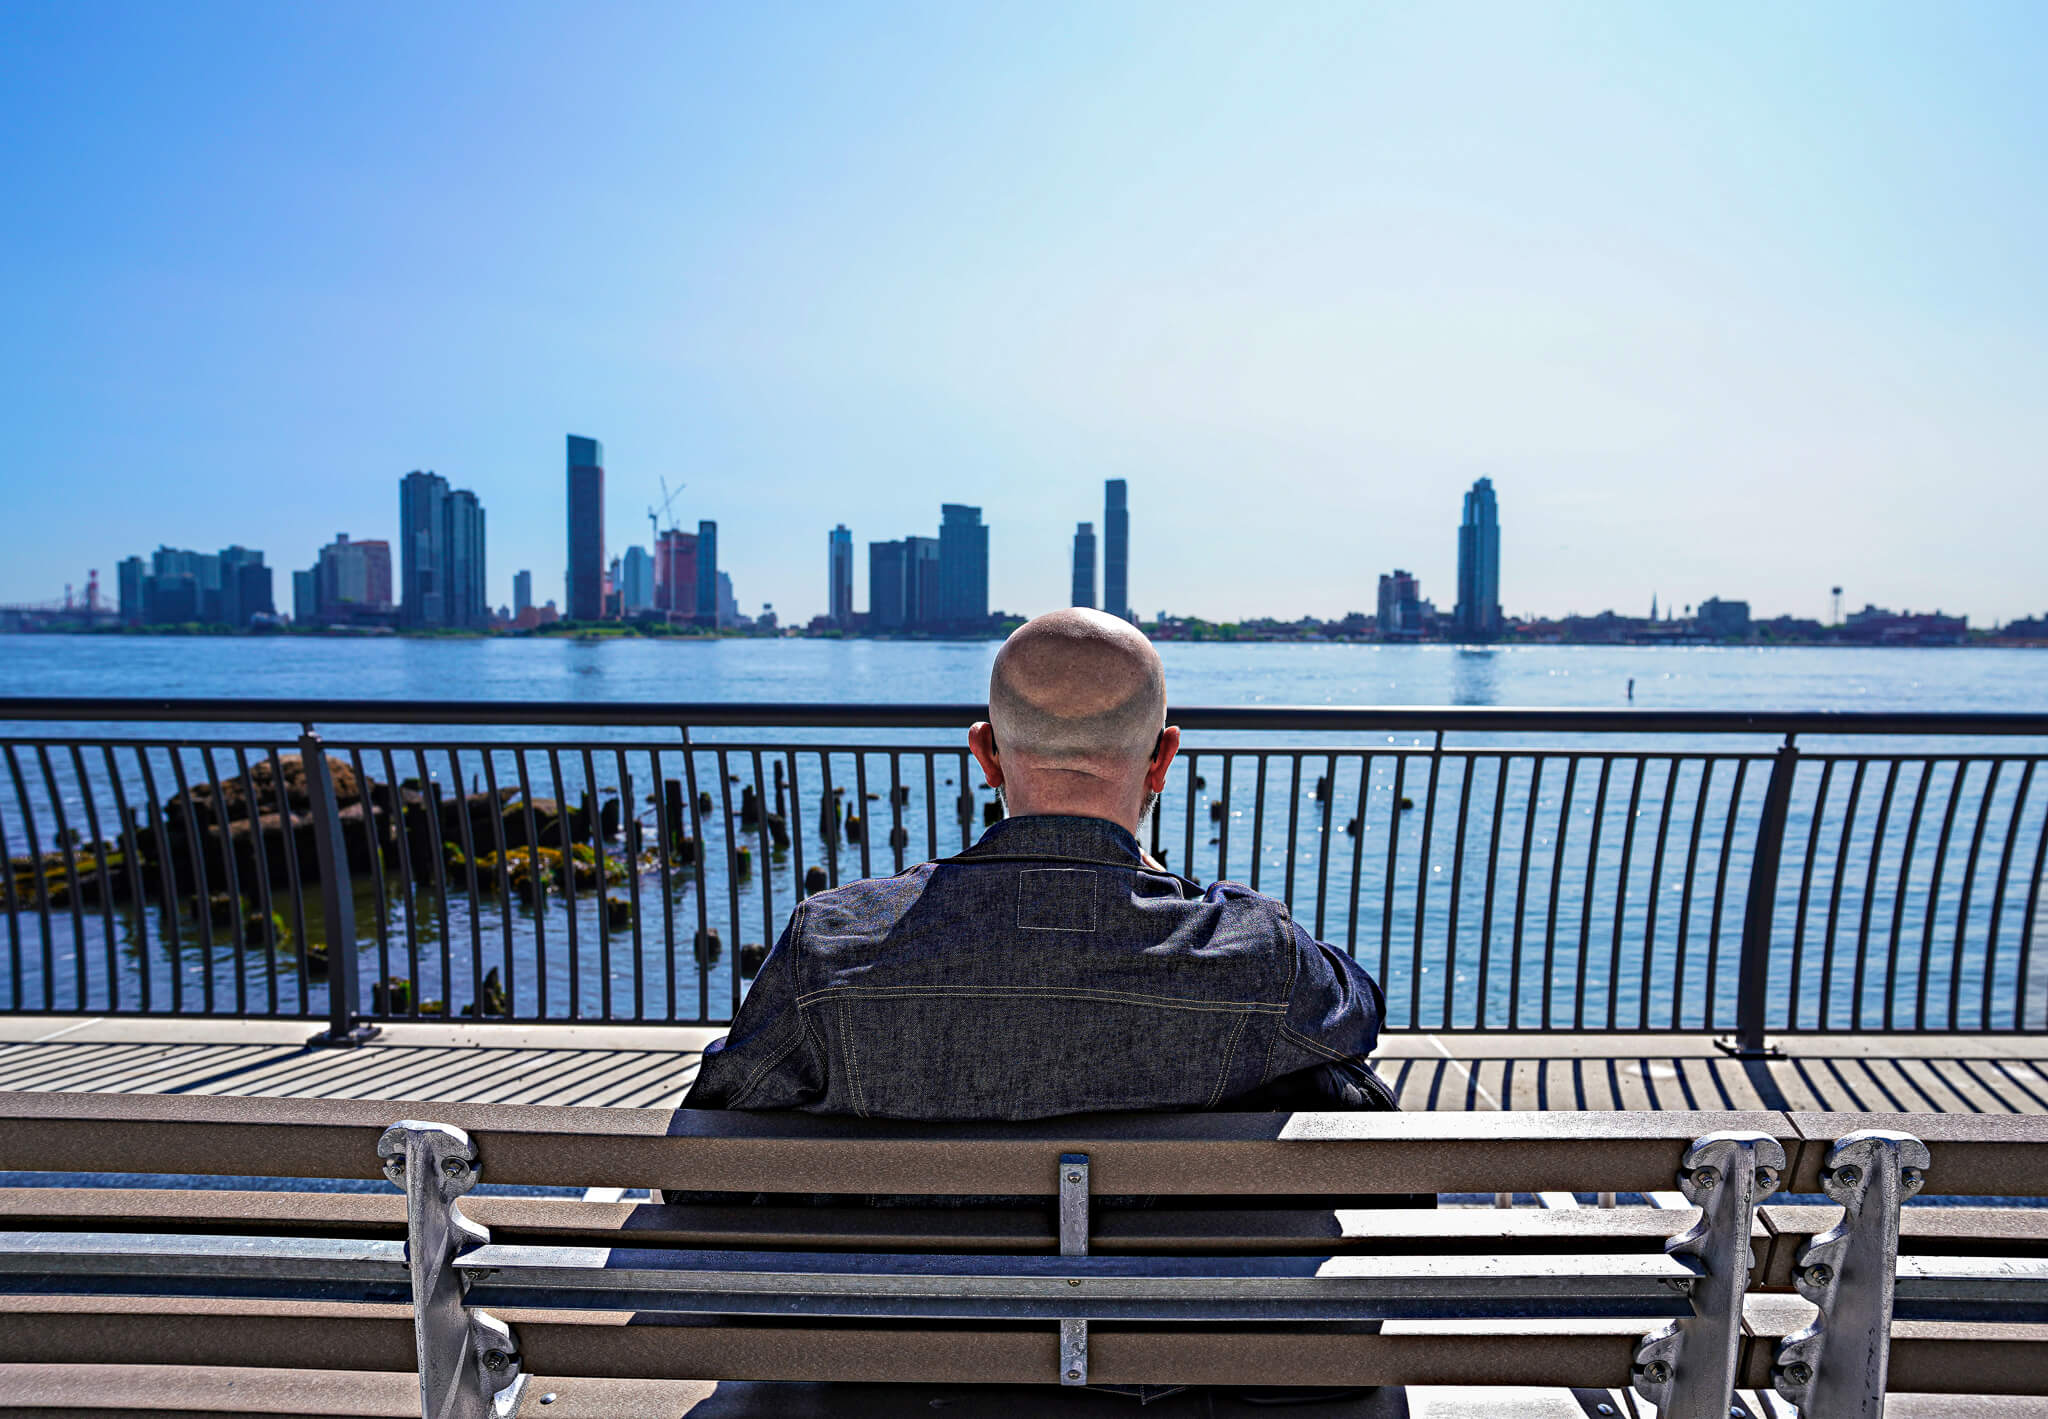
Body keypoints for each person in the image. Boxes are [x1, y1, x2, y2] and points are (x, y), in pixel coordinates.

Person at [683, 607, 1393, 1118]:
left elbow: (713, 1122)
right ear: (1163, 760)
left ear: (986, 753)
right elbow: (1357, 1011)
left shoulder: (829, 945)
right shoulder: (1252, 956)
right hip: (1163, 1314)